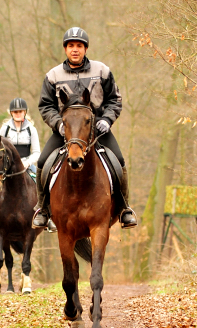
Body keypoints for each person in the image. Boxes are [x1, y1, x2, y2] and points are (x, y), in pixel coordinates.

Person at [32, 27, 137, 229]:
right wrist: (58, 124)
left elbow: (115, 100)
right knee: (43, 161)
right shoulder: (53, 75)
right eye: (71, 45)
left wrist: (106, 120)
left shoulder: (102, 71)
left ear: (85, 49)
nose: (75, 49)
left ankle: (124, 208)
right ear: (65, 49)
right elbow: (46, 106)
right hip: (66, 132)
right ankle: (43, 209)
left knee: (119, 161)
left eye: (79, 46)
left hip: (97, 131)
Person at [0, 97, 41, 229]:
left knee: (43, 183)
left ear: (25, 112)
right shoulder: (5, 129)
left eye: (20, 111)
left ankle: (47, 216)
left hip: (27, 165)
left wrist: (27, 163)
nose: (18, 114)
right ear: (11, 113)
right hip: (8, 167)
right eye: (15, 112)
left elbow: (36, 152)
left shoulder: (32, 129)